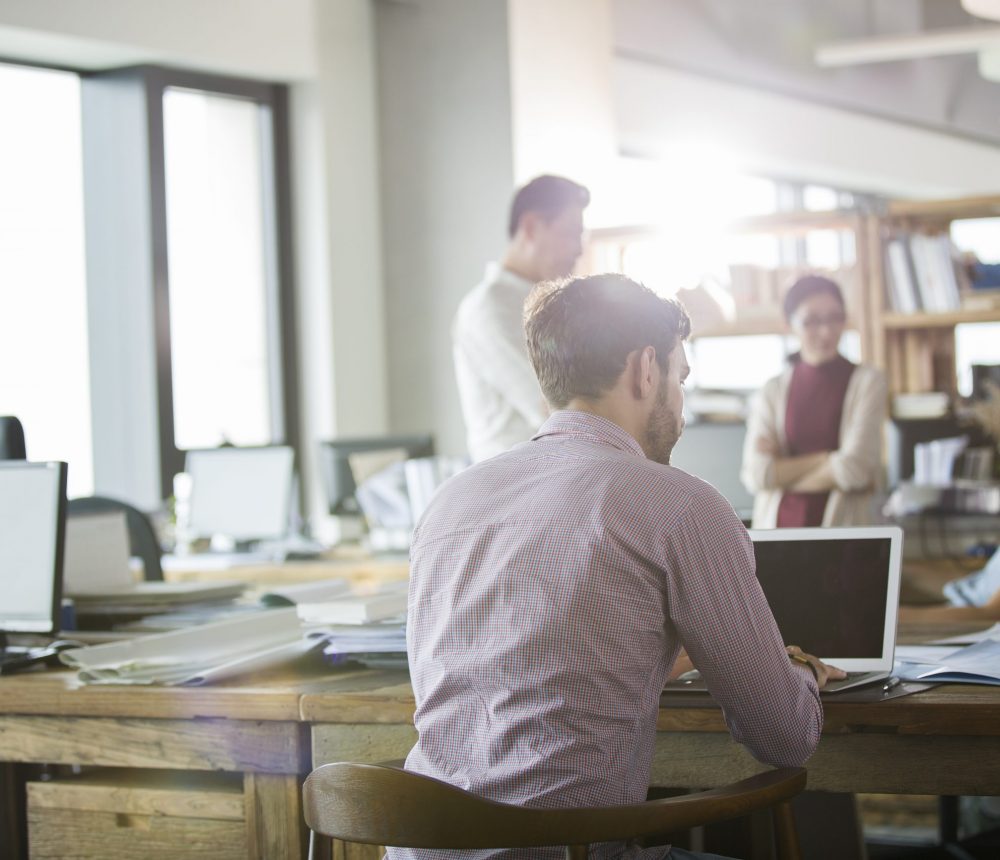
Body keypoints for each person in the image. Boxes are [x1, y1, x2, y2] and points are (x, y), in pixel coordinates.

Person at [393, 273, 842, 860]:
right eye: (680, 379)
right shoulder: (682, 506)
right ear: (645, 370)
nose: (679, 404)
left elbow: (539, 658)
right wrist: (802, 671)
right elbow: (784, 736)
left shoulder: (449, 502)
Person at [453, 174, 590, 462]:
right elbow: (555, 405)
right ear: (530, 227)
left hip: (556, 476)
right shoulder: (489, 310)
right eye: (570, 233)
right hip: (516, 491)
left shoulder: (549, 304)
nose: (578, 249)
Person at [741, 275, 887, 529]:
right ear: (789, 324)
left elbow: (854, 470)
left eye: (835, 318)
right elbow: (758, 474)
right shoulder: (772, 391)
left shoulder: (868, 382)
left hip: (843, 535)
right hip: (778, 533)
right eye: (811, 321)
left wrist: (783, 477)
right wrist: (829, 459)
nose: (826, 331)